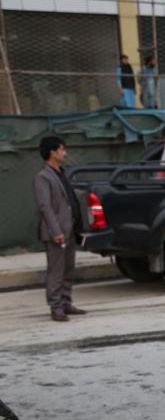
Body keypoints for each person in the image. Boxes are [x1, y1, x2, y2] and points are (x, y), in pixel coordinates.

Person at [32, 137, 87, 322]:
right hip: (56, 232)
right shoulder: (43, 177)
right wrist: (56, 231)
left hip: (70, 228)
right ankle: (56, 307)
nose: (65, 153)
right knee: (56, 270)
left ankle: (66, 302)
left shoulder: (61, 173)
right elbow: (44, 206)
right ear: (52, 152)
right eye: (62, 150)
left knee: (68, 268)